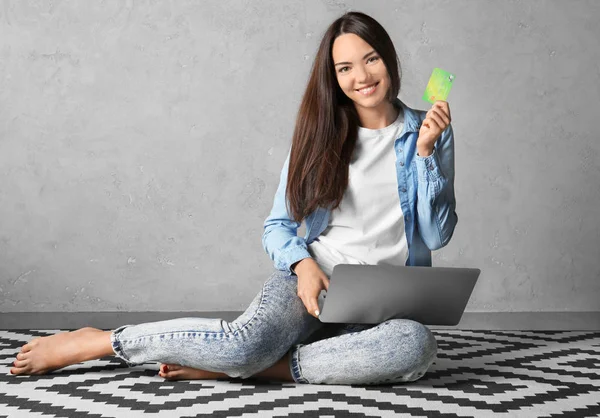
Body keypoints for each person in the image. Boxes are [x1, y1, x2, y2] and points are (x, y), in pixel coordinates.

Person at [10, 10, 457, 385]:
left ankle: (260, 369)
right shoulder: (320, 137)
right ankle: (100, 340)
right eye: (345, 68)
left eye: (371, 59)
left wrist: (424, 154)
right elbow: (277, 225)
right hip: (316, 280)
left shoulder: (430, 132)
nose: (361, 77)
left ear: (389, 59)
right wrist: (303, 267)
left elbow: (437, 236)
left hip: (384, 301)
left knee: (415, 346)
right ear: (333, 77)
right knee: (242, 343)